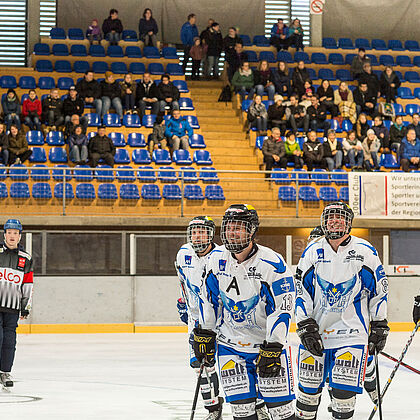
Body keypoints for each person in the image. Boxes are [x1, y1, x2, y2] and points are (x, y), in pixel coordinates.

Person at [194, 204, 296, 420]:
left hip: (266, 347)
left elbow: (282, 308)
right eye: (229, 227)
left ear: (252, 231)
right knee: (242, 413)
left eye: (239, 227)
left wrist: (275, 345)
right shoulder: (215, 259)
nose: (233, 232)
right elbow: (209, 299)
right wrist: (205, 332)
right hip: (230, 346)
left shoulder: (273, 263)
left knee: (281, 413)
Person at [295, 202, 389, 420]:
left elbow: (379, 288)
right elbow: (301, 290)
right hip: (317, 332)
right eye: (330, 217)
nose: (334, 221)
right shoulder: (312, 252)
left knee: (343, 398)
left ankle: (367, 382)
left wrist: (379, 322)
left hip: (352, 334)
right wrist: (304, 323)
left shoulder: (365, 251)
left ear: (349, 223)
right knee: (307, 399)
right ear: (324, 222)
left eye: (340, 217)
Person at [175, 216, 224, 420]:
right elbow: (183, 282)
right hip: (197, 320)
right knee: (200, 364)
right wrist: (185, 306)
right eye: (194, 231)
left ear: (211, 234)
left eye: (202, 231)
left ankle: (256, 405)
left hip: (224, 320)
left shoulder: (223, 254)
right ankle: (213, 409)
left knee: (239, 361)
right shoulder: (183, 253)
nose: (197, 235)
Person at [0, 219, 33, 388]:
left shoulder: (25, 258)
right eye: (9, 232)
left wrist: (25, 307)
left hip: (12, 308)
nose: (12, 236)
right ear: (4, 234)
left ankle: (5, 372)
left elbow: (27, 284)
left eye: (15, 233)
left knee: (9, 341)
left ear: (20, 236)